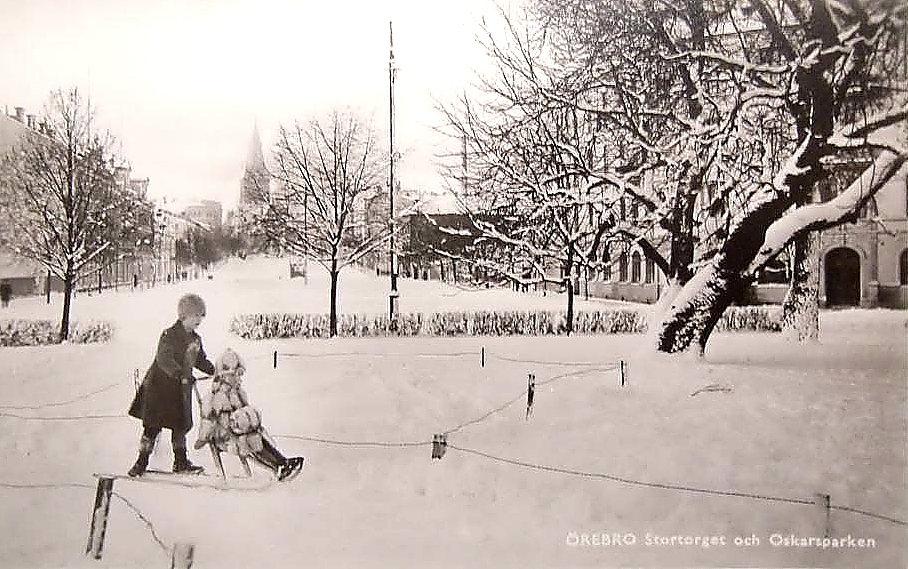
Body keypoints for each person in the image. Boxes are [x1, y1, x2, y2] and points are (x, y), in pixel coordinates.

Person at [127, 293, 216, 476]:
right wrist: (179, 374)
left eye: (201, 315)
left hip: (179, 391)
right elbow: (164, 358)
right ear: (184, 316)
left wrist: (215, 371)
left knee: (180, 426)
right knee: (152, 427)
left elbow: (200, 360)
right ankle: (140, 463)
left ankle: (181, 462)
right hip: (159, 389)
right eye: (196, 315)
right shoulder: (169, 335)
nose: (199, 319)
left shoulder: (195, 339)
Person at [195, 347, 304, 482]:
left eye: (240, 374)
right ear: (225, 375)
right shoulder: (215, 397)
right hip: (224, 436)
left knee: (258, 436)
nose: (239, 378)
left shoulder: (238, 392)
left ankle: (281, 461)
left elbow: (245, 410)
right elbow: (208, 420)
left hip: (240, 431)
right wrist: (203, 438)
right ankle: (278, 466)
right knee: (251, 441)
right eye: (235, 375)